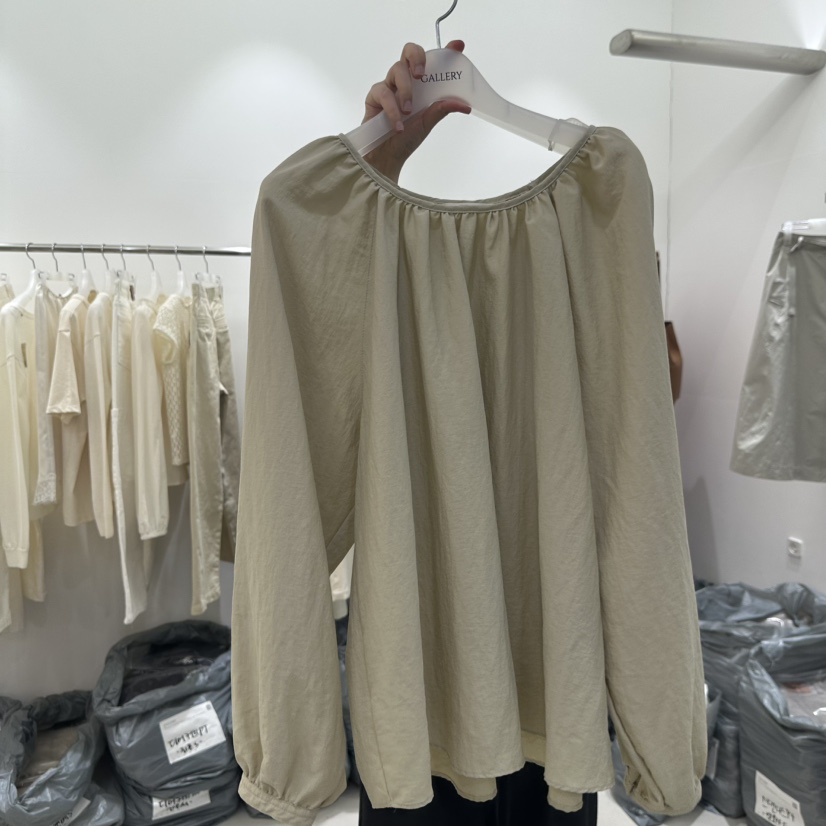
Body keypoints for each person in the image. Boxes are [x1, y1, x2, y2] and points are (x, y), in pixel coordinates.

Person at [354, 40, 599, 826]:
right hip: (421, 703)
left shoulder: (603, 209)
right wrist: (376, 166)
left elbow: (639, 487)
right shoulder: (341, 236)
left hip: (552, 697)